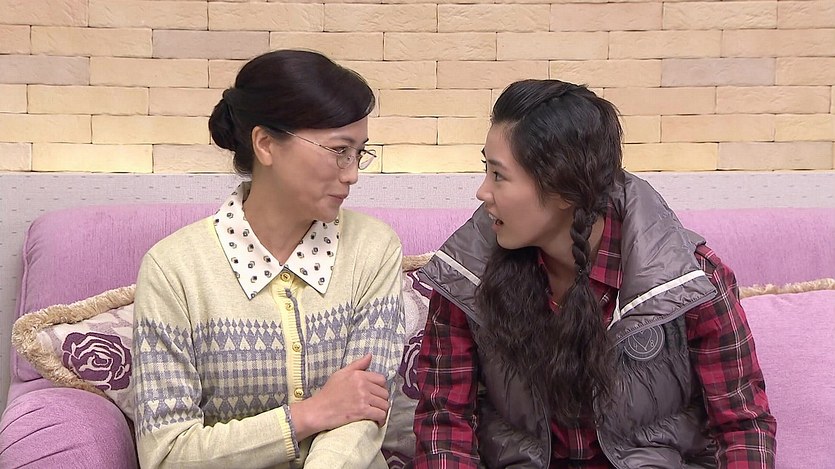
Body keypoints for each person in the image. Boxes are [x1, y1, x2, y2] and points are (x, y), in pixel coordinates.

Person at [411, 79, 776, 468]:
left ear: (563, 189)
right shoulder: (468, 275)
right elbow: (443, 422)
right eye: (486, 169)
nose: (483, 192)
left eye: (498, 175)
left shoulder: (690, 280)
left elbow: (743, 427)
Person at [132, 50, 405, 469]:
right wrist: (307, 415)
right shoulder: (174, 270)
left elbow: (363, 416)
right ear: (265, 144)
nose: (352, 173)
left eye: (358, 152)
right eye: (339, 150)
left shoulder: (373, 249)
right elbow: (167, 453)